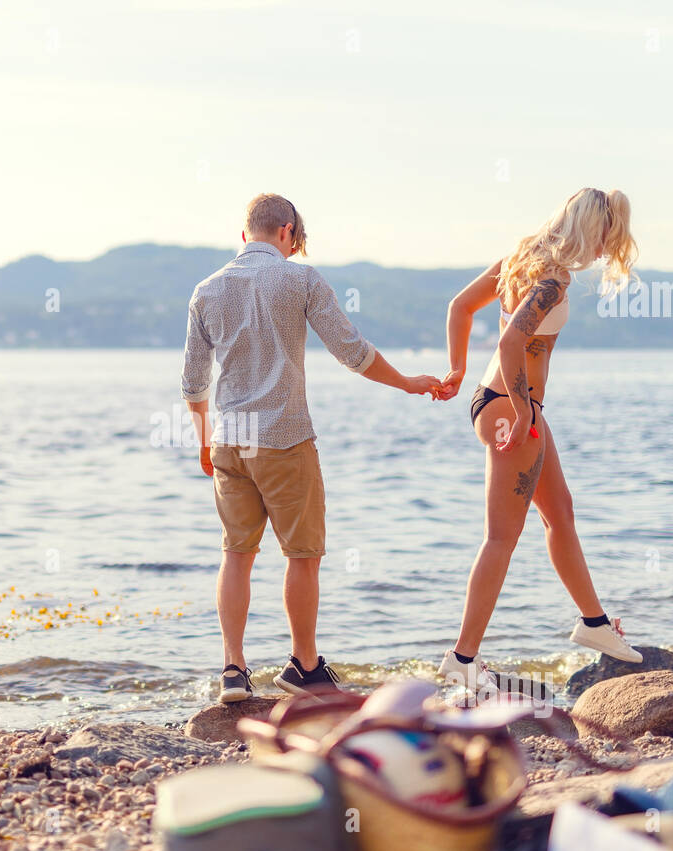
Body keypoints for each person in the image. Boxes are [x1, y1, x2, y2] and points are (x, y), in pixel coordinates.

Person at [182, 193, 440, 703]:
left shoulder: (206, 290)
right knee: (302, 556)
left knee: (237, 554)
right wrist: (410, 383)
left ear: (244, 234)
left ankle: (233, 670)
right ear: (287, 233)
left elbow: (193, 381)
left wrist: (202, 440)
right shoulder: (300, 278)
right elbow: (352, 351)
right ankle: (303, 665)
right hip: (284, 435)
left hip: (229, 439)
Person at [433, 187, 641, 692]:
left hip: (501, 400)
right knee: (502, 537)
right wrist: (524, 405)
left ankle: (594, 624)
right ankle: (462, 658)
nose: (602, 251)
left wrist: (459, 371)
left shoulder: (522, 257)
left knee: (560, 512)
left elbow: (461, 307)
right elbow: (509, 341)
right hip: (512, 409)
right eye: (605, 239)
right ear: (591, 230)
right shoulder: (553, 277)